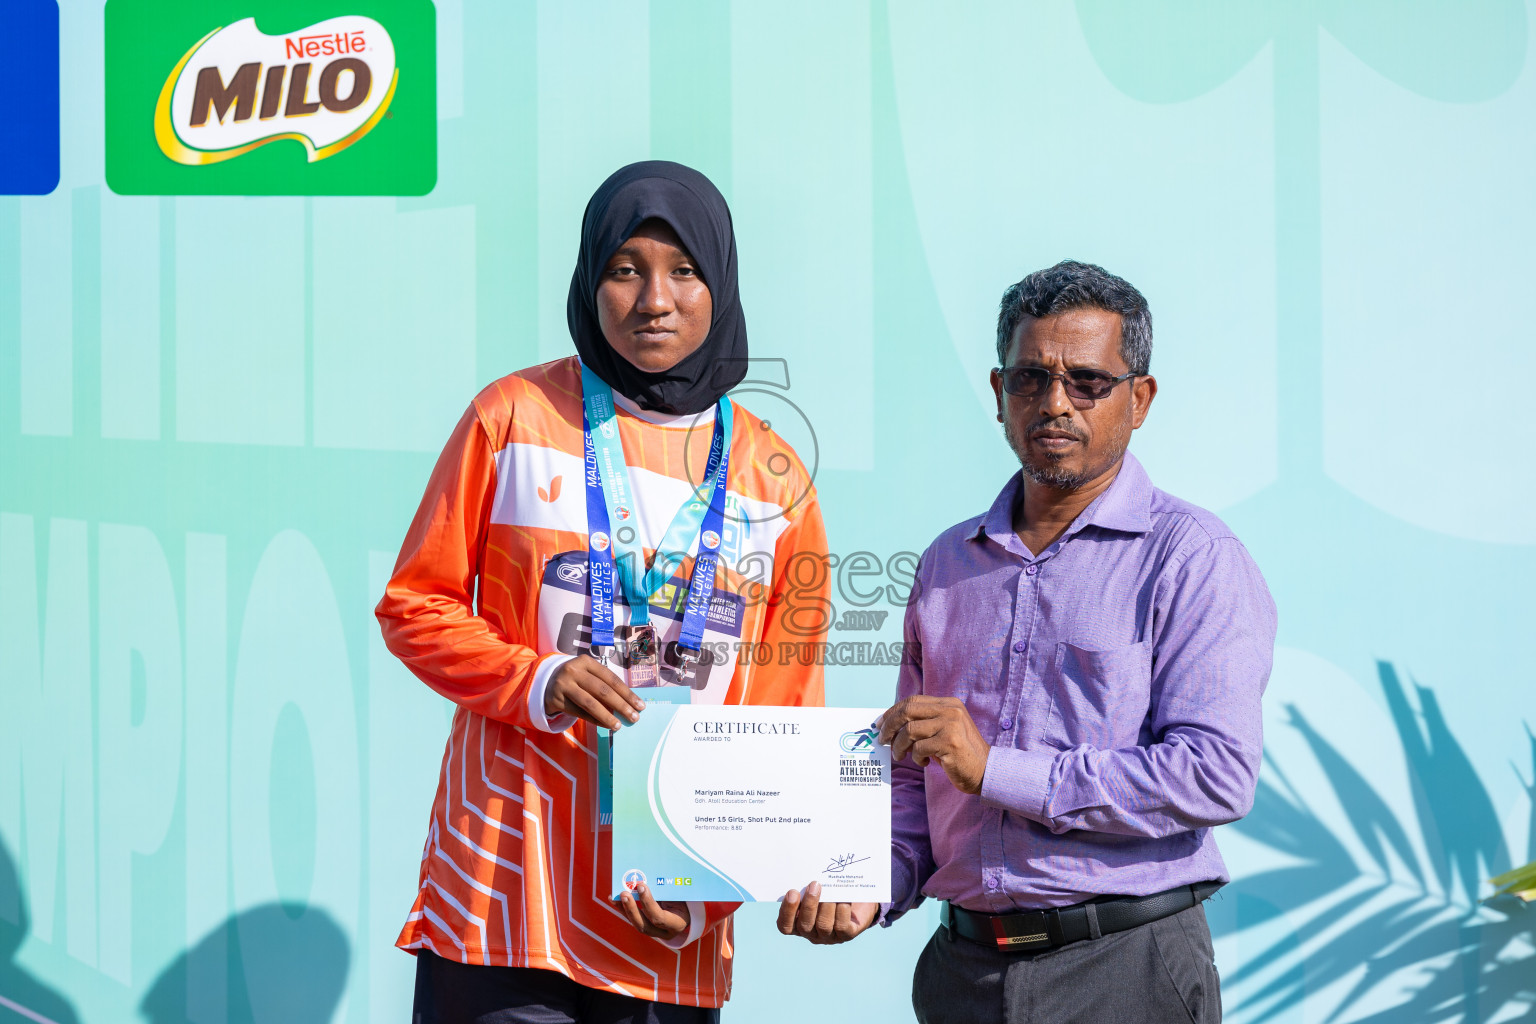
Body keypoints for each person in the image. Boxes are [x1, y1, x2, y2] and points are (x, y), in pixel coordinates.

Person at [378, 161, 828, 1023]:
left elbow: (784, 713)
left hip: (668, 926)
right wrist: (536, 680)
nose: (654, 299)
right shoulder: (511, 418)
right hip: (502, 906)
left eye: (684, 270)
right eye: (626, 269)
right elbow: (414, 605)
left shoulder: (777, 479)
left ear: (721, 282)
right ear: (590, 281)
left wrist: (713, 895)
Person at [778, 261, 1275, 1023]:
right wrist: (871, 883)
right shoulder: (948, 564)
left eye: (1087, 381)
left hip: (1126, 969)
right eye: (1030, 379)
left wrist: (998, 770)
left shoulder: (1191, 557)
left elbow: (1213, 775)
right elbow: (916, 776)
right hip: (963, 976)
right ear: (997, 393)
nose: (1055, 403)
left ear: (1138, 398)